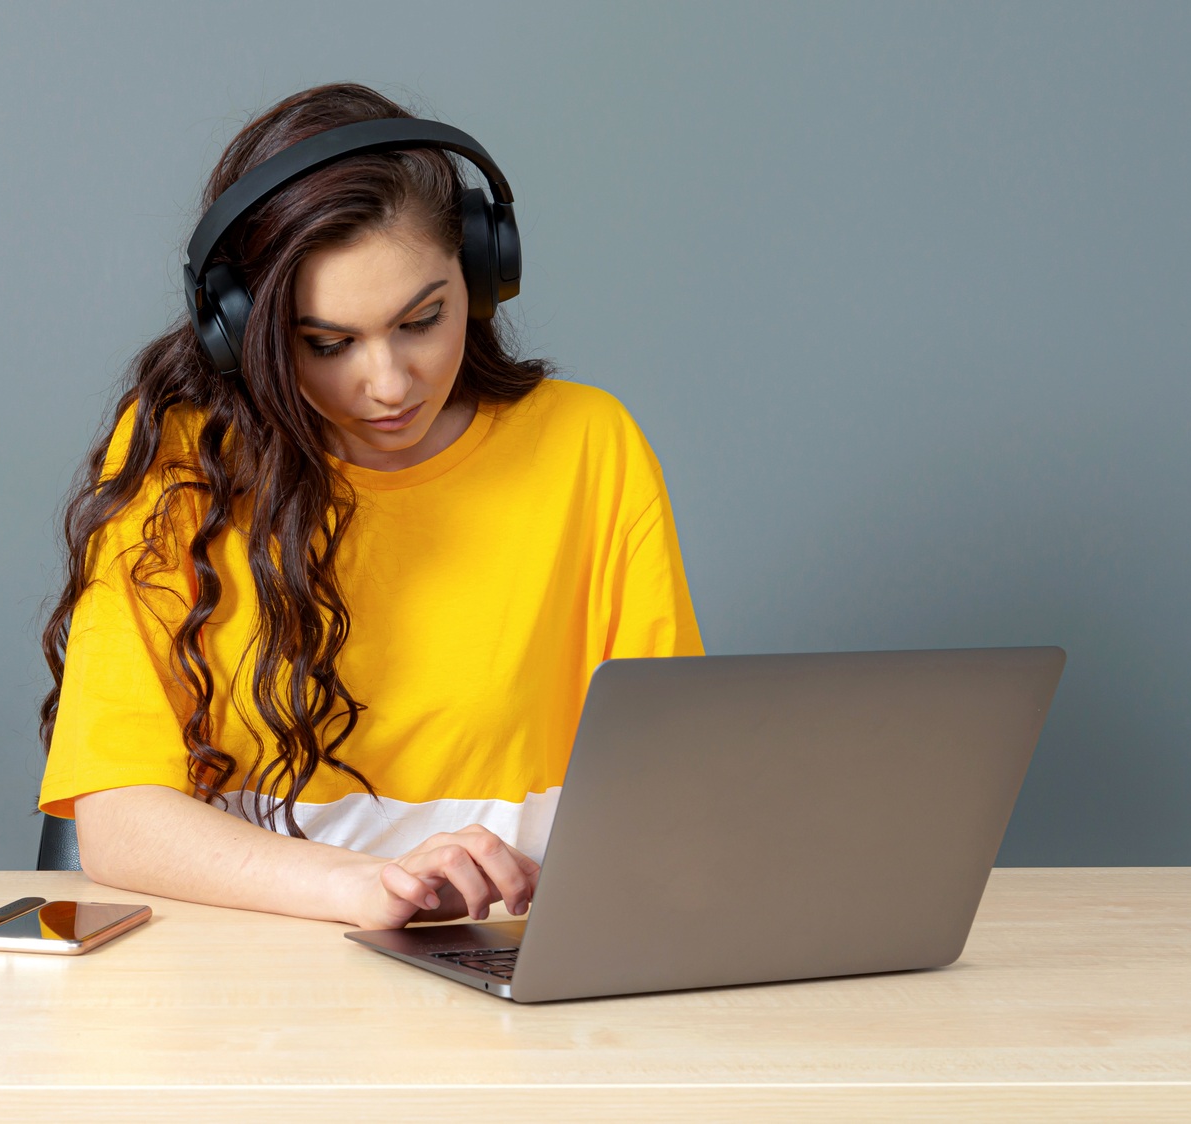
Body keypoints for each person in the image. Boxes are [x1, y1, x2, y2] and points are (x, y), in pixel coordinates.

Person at [36, 83, 702, 931]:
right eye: (328, 345)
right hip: (243, 972)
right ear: (243, 330)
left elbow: (669, 785)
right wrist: (370, 888)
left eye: (422, 320)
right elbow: (121, 827)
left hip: (505, 964)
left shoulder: (588, 447)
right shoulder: (178, 460)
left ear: (483, 275)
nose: (388, 385)